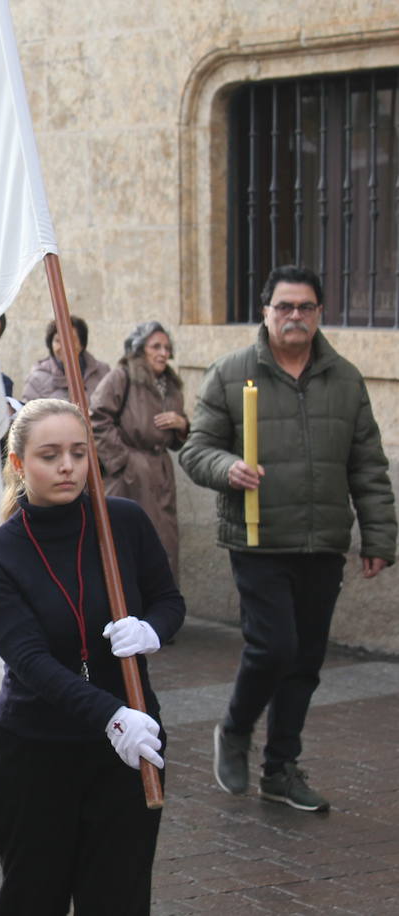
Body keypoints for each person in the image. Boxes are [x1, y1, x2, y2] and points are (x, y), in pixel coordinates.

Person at [180, 264, 395, 812]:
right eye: (284, 307)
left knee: (305, 661)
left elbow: (367, 464)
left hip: (322, 542)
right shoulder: (230, 374)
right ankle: (234, 728)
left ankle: (280, 769)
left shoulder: (344, 378)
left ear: (320, 313)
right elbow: (195, 449)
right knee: (273, 647)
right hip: (257, 538)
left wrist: (377, 538)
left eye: (305, 307)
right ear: (266, 312)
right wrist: (227, 466)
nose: (294, 316)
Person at [0, 397, 184, 915]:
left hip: (129, 746)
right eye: (49, 455)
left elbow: (168, 600)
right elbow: (30, 662)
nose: (67, 466)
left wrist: (152, 631)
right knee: (34, 896)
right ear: (19, 463)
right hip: (38, 753)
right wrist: (110, 717)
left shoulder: (123, 523)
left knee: (119, 896)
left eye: (77, 452)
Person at [90, 321, 189, 578]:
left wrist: (182, 424)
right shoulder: (121, 376)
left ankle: (162, 608)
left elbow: (177, 440)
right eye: (156, 346)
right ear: (139, 349)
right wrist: (124, 461)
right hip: (128, 476)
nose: (163, 353)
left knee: (164, 540)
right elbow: (96, 418)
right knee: (129, 543)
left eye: (167, 347)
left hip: (161, 472)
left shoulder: (170, 384)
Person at [21, 316, 110, 403]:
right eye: (58, 341)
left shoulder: (102, 372)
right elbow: (27, 414)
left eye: (70, 340)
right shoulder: (37, 377)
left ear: (82, 344)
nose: (64, 346)